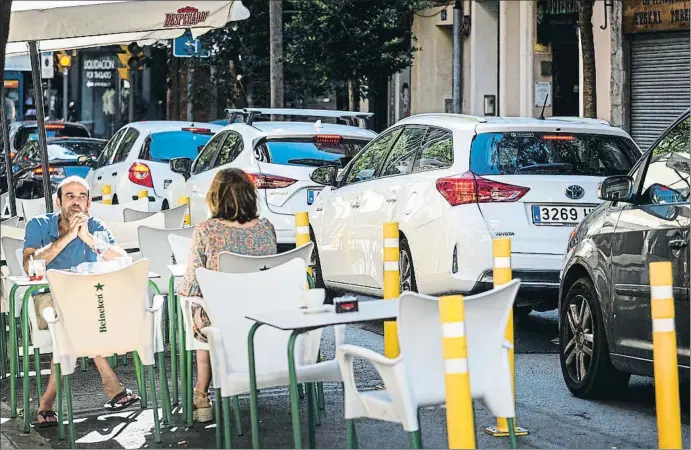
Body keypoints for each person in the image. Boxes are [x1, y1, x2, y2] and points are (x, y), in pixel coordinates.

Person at [23, 176, 138, 427]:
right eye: (70, 196)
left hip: (90, 300)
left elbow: (122, 258)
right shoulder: (38, 224)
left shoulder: (96, 226)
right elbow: (30, 265)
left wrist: (87, 238)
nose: (76, 202)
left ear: (89, 204)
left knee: (76, 316)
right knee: (73, 314)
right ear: (58, 201)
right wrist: (67, 237)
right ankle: (111, 383)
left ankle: (47, 403)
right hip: (47, 298)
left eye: (82, 196)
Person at [178, 168, 277, 423]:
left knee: (200, 311)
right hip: (265, 316)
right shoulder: (266, 228)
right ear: (250, 196)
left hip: (224, 320)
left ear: (215, 197)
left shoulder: (206, 230)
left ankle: (201, 394)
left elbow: (191, 284)